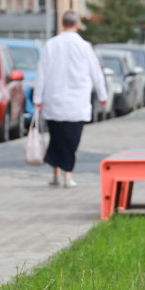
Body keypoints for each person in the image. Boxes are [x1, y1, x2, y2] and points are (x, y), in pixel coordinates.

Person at [33, 10, 108, 188]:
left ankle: (56, 173)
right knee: (71, 140)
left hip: (54, 100)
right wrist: (102, 95)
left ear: (62, 23)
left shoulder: (50, 45)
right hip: (77, 102)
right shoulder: (84, 46)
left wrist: (38, 97)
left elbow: (41, 73)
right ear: (77, 25)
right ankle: (68, 175)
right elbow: (95, 72)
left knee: (56, 138)